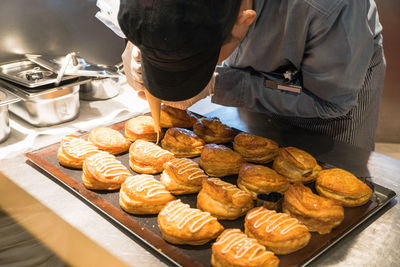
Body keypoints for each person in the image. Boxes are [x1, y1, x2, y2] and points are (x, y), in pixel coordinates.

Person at [110, 0, 385, 151]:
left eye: (198, 62)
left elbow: (330, 102)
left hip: (333, 90)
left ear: (244, 21)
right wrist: (142, 42)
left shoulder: (329, 8)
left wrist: (219, 84)